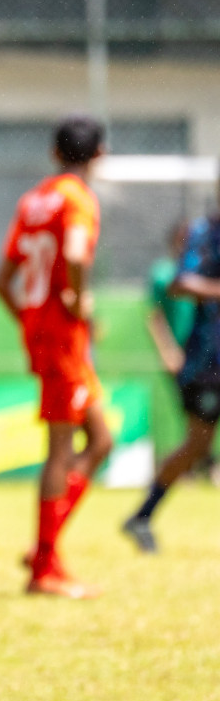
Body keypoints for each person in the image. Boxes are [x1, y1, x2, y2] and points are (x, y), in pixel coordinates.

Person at [0, 114, 111, 600]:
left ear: (54, 154)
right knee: (63, 449)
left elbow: (3, 281)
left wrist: (31, 321)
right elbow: (78, 256)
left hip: (49, 335)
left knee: (101, 439)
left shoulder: (35, 200)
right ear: (98, 156)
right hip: (64, 338)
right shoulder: (78, 199)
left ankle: (46, 544)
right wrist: (77, 300)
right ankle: (45, 568)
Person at [123, 206, 220, 552]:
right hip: (207, 362)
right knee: (196, 446)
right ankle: (143, 515)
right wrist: (169, 353)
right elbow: (178, 287)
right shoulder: (203, 234)